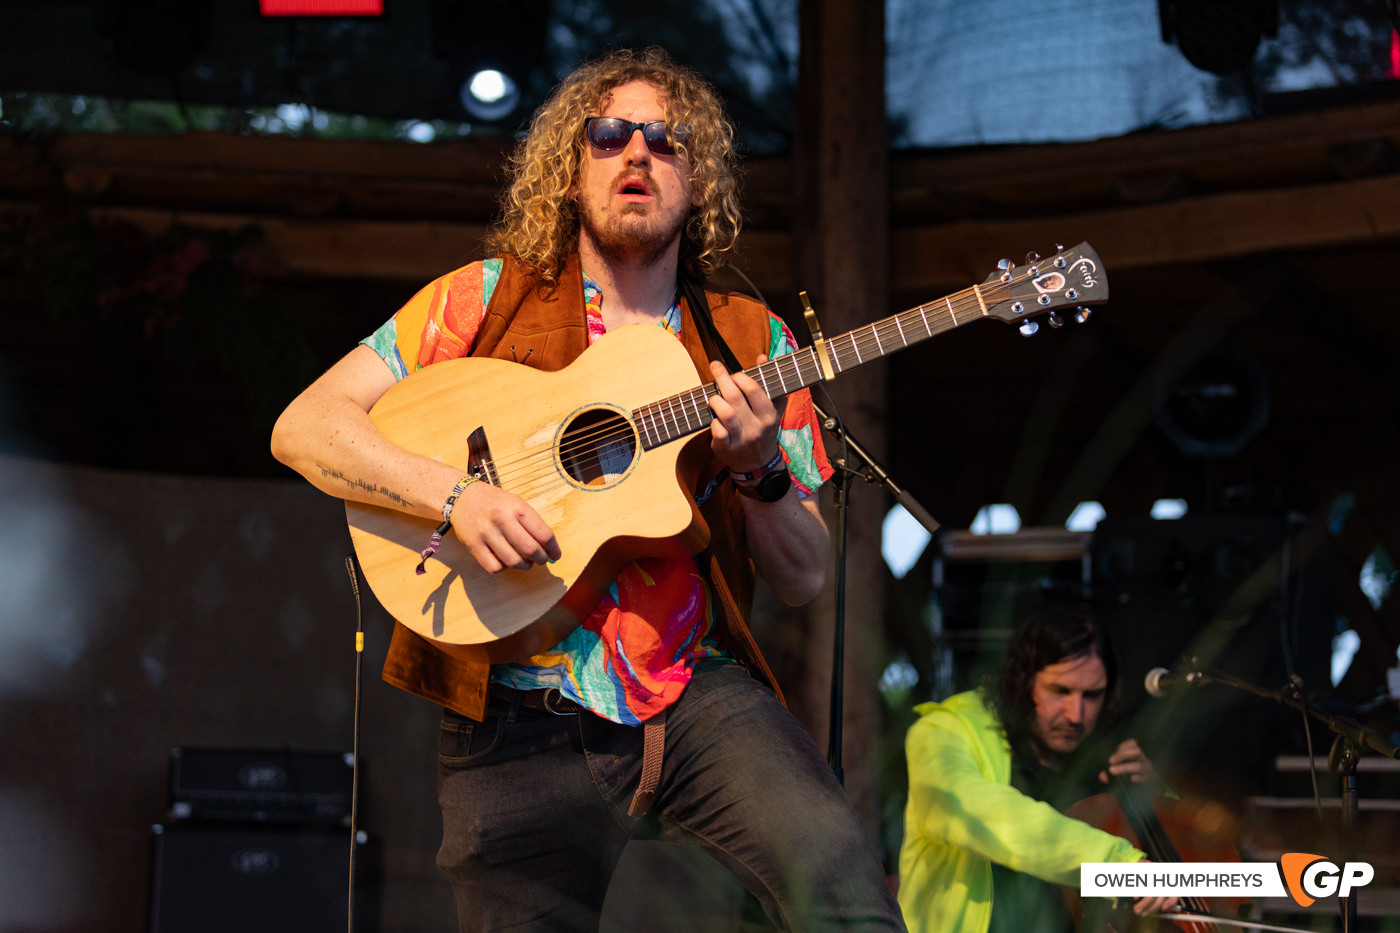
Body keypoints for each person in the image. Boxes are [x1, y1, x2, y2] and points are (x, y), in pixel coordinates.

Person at [271, 46, 905, 933]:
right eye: (608, 135)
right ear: (570, 173)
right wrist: (455, 496)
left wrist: (760, 468)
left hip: (696, 694)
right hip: (510, 705)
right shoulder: (483, 300)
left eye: (667, 140)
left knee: (851, 904)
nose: (637, 151)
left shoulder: (752, 342)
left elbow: (804, 579)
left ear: (700, 184)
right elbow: (304, 425)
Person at [897, 602, 1178, 933]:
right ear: (1023, 680)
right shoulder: (943, 731)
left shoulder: (1101, 754)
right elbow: (981, 814)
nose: (1076, 715)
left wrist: (1154, 794)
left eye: (1092, 695)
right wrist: (1117, 864)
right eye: (1060, 691)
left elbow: (1197, 862)